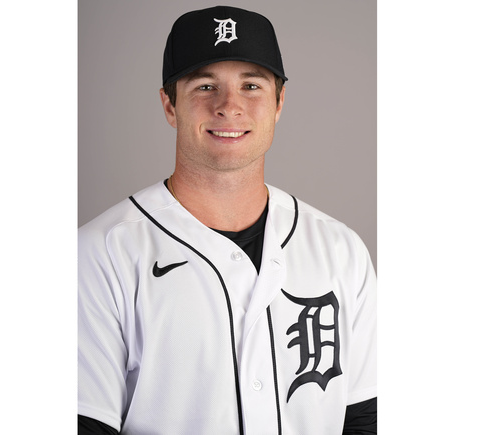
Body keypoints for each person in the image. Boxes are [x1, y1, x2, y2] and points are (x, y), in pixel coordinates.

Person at [78, 6, 376, 435]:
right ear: (170, 105)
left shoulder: (341, 251)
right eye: (205, 86)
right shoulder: (99, 256)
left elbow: (367, 418)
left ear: (279, 103)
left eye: (251, 86)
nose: (229, 106)